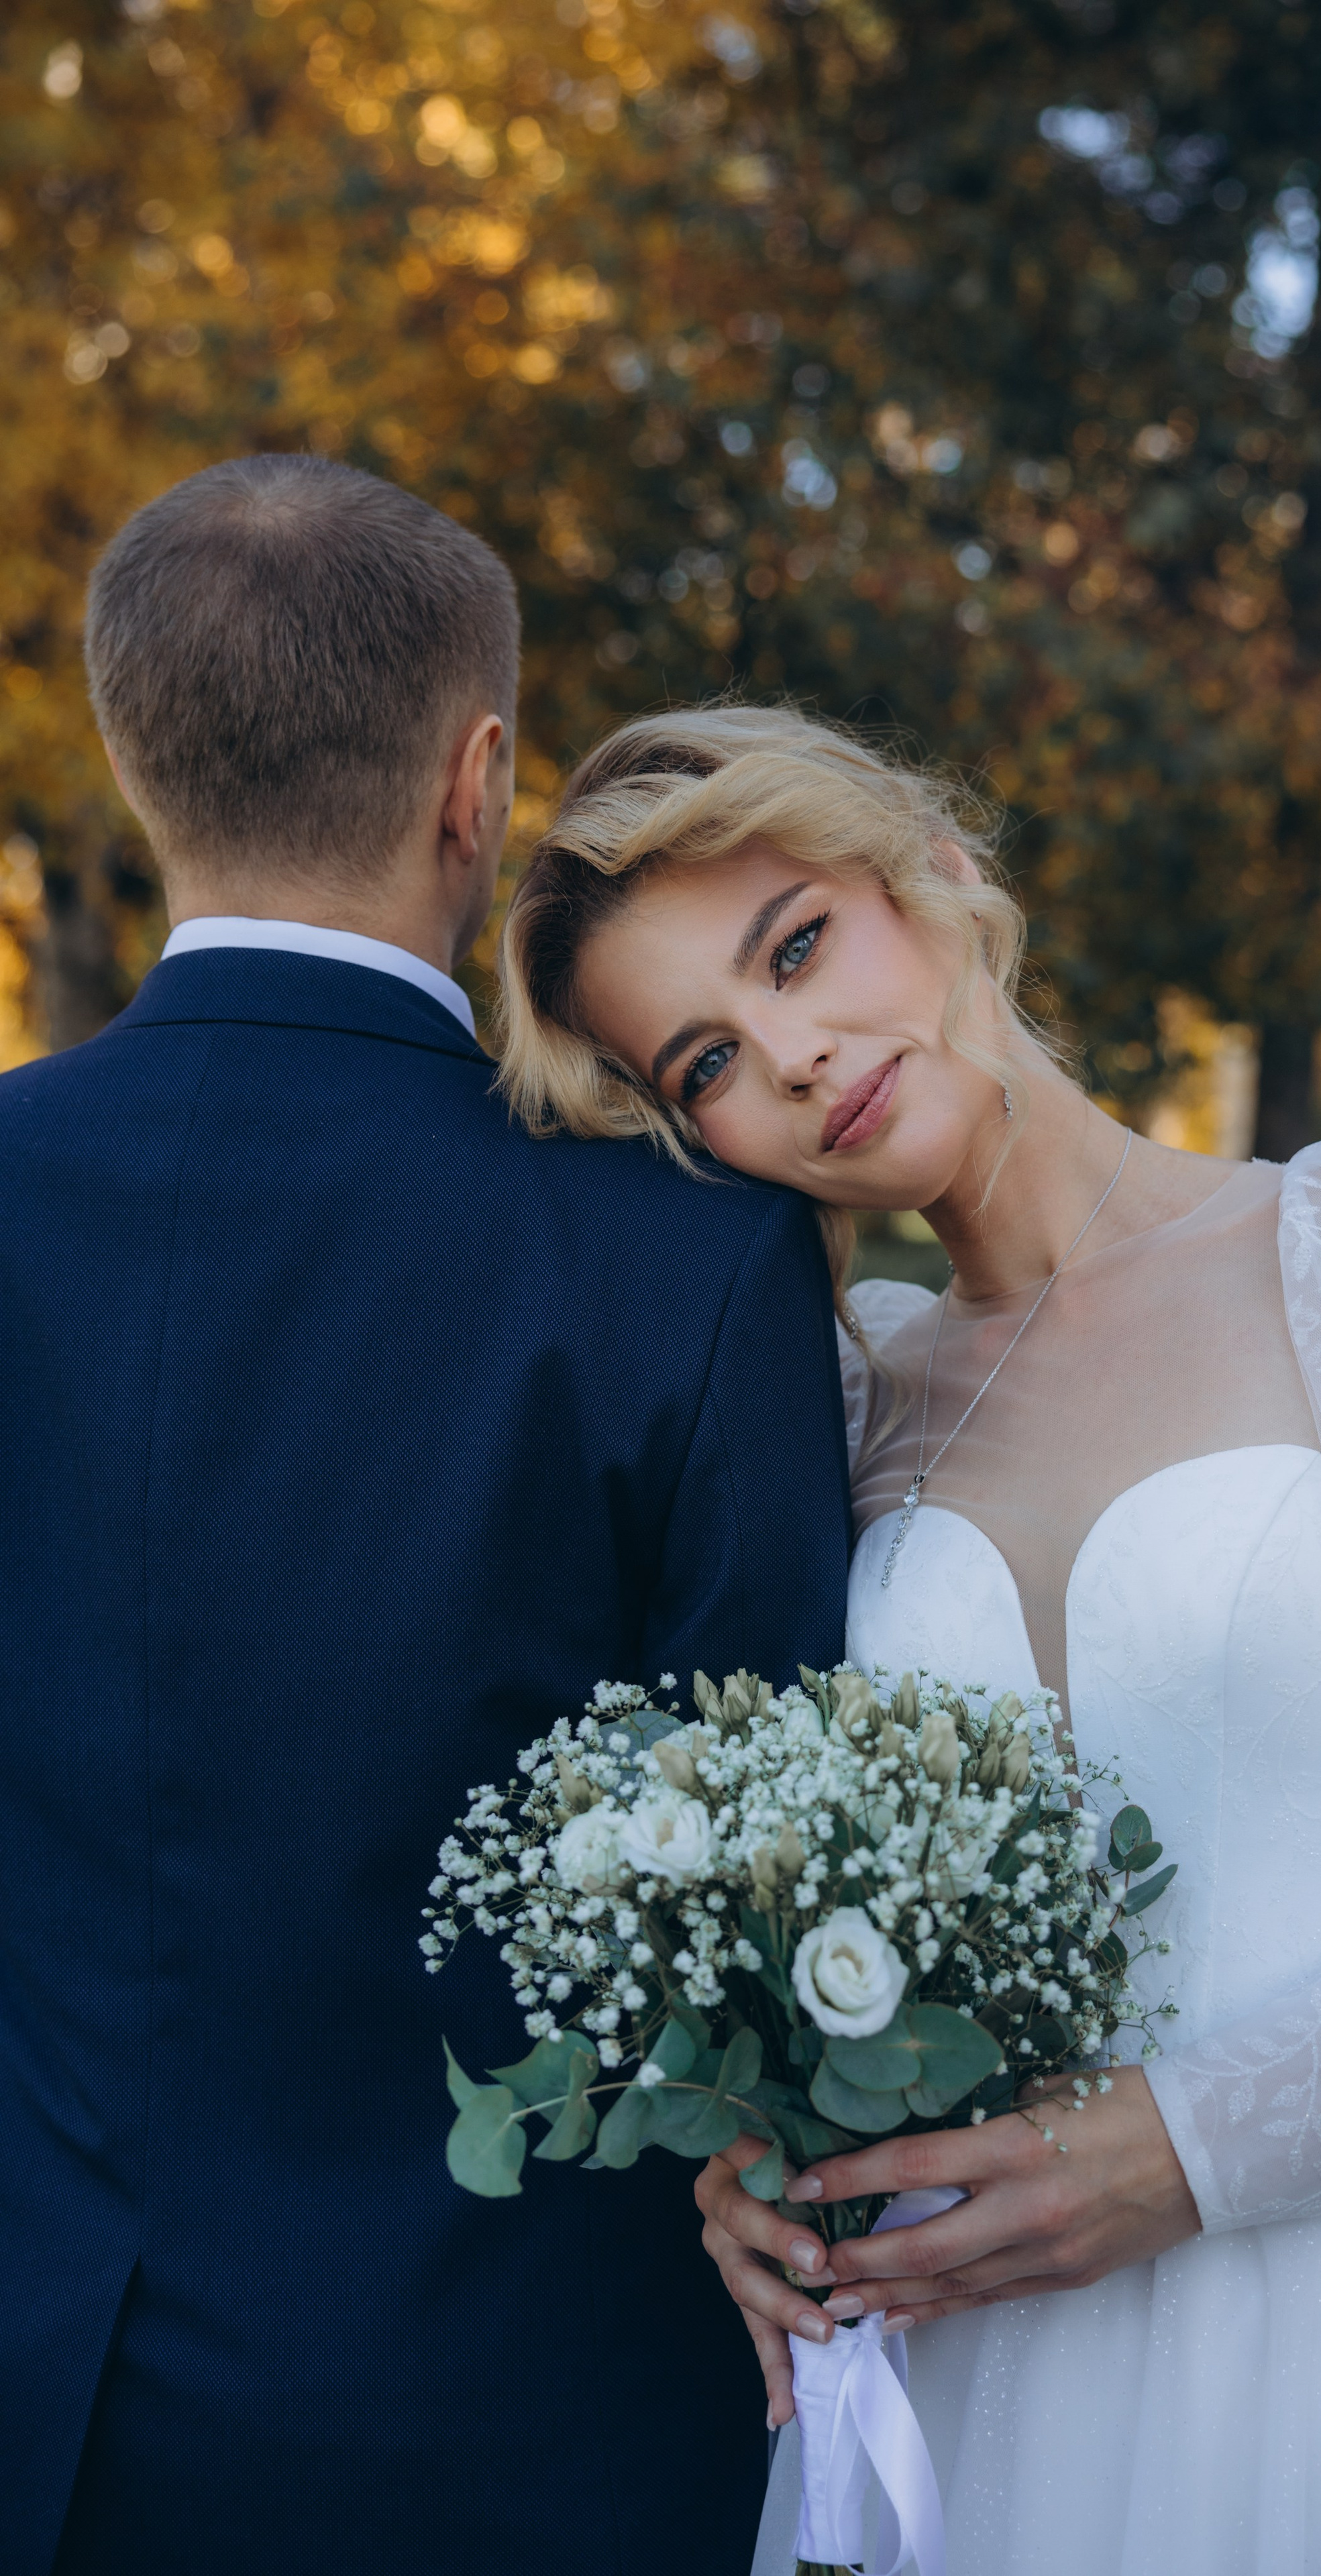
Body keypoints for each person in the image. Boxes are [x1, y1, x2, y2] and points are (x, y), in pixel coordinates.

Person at [497, 698, 1321, 2576]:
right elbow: (809, 1929)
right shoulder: (835, 1410)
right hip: (990, 2393)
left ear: (942, 878)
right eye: (711, 1059)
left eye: (802, 943)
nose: (803, 1058)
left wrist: (1191, 2148)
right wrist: (739, 2153)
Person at [0, 462, 850, 2576]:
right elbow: (760, 1884)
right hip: (545, 2433)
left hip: (50, 2415)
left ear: (134, 761)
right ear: (478, 784)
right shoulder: (680, 1251)